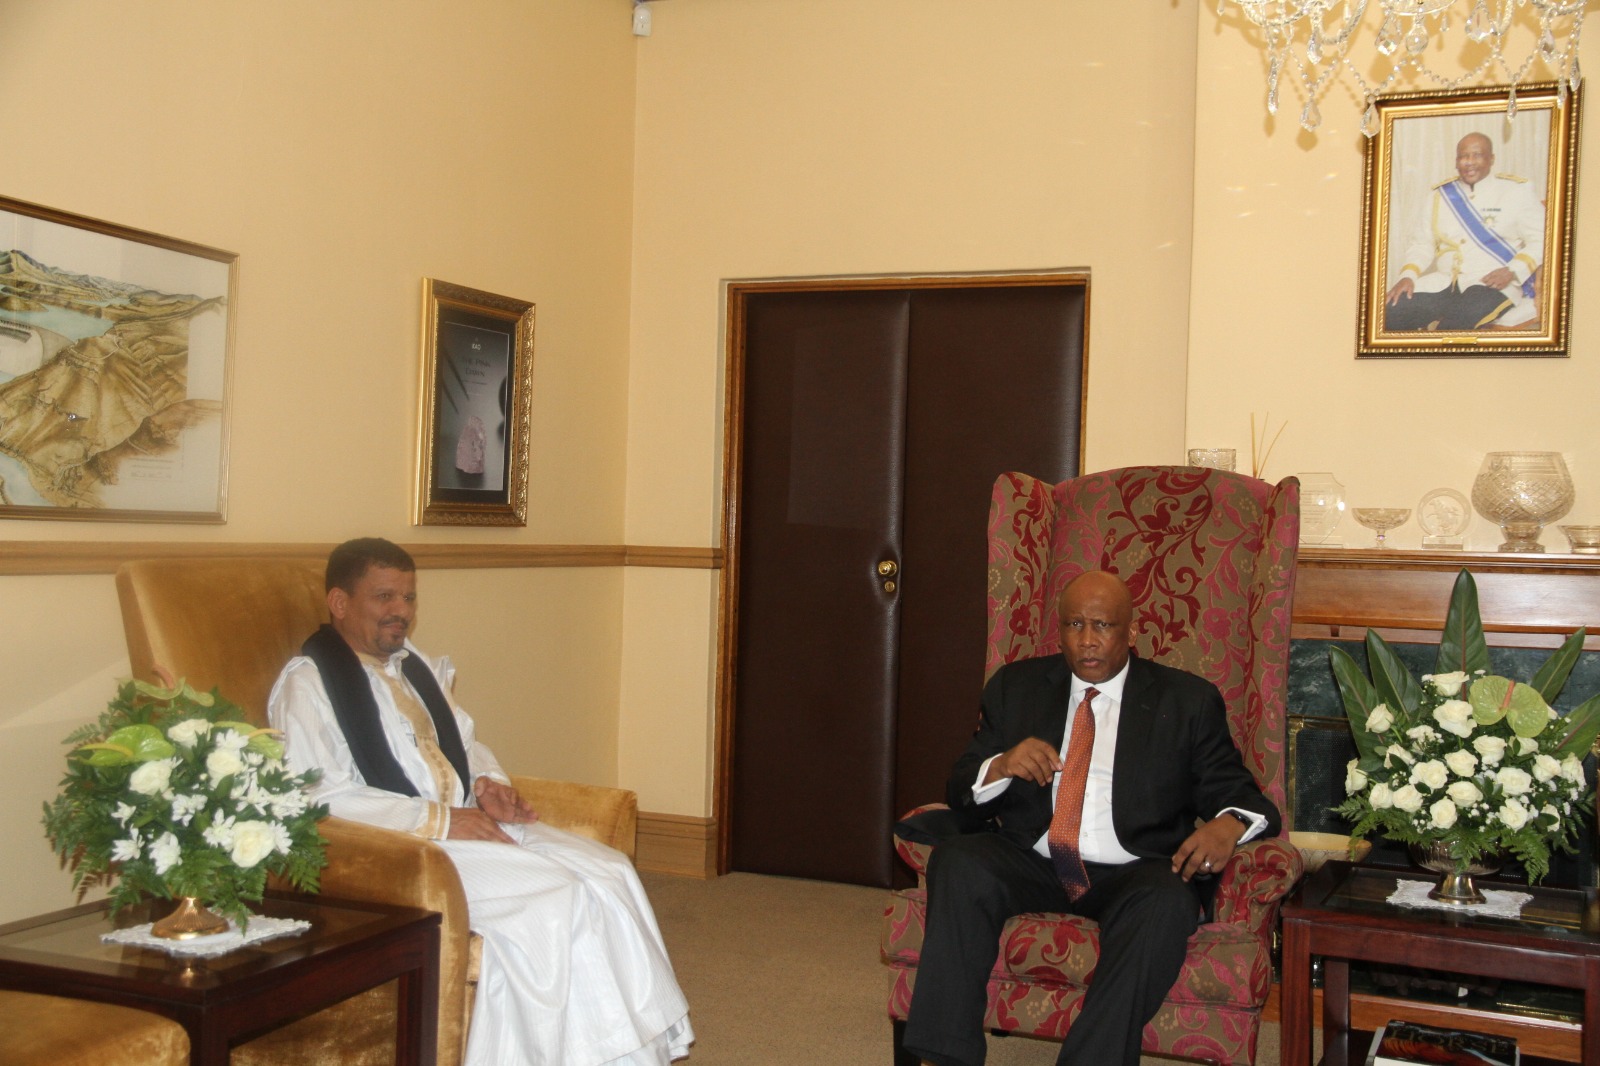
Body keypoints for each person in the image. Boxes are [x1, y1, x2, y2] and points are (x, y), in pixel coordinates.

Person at [268, 538, 692, 1066]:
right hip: (404, 848)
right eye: (384, 597)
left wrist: (489, 782)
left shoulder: (414, 665)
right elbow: (316, 796)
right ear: (339, 602)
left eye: (409, 597)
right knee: (554, 899)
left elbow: (464, 741)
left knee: (609, 872)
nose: (401, 611)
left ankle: (633, 1054)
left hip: (466, 820)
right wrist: (441, 820)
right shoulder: (308, 684)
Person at [902, 570, 1280, 1066]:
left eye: (1102, 625)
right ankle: (946, 1055)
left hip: (1134, 871)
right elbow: (959, 788)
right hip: (1033, 859)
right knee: (959, 862)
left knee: (1169, 900)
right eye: (1074, 624)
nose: (1086, 641)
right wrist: (1001, 765)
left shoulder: (1186, 701)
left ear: (1131, 630)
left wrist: (1228, 824)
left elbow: (1244, 796)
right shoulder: (1016, 687)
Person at [1385, 131, 1545, 332]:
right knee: (1390, 312)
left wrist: (1512, 270)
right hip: (1445, 282)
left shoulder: (1515, 192)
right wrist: (1408, 275)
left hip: (1492, 285)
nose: (1469, 162)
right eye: (1463, 156)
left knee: (1453, 327)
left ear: (1491, 159)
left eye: (1477, 155)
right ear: (1456, 161)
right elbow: (1422, 243)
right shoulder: (1439, 196)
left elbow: (1544, 239)